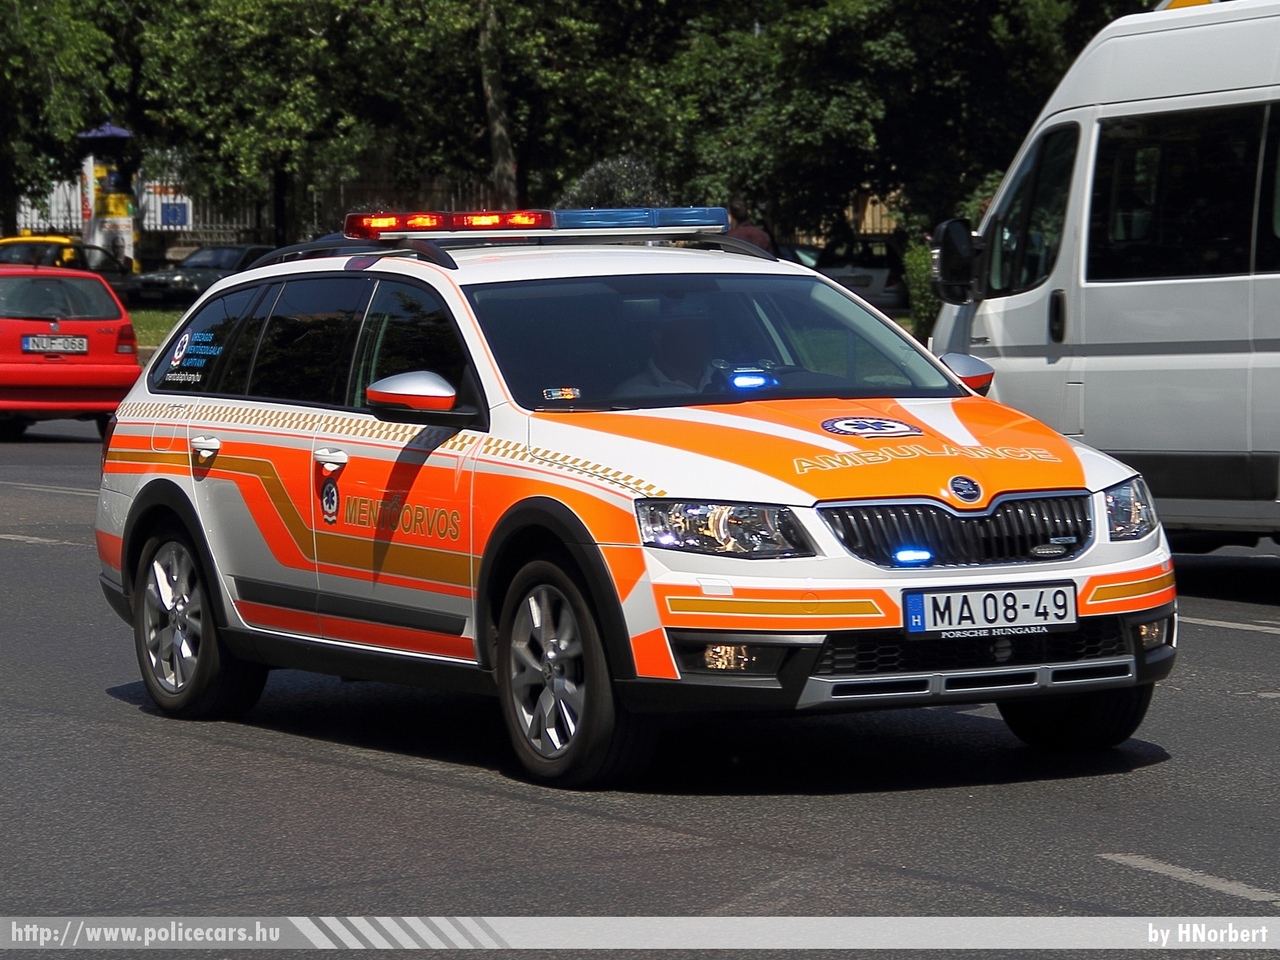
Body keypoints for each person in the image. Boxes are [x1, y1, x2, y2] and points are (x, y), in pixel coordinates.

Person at [612, 314, 718, 397]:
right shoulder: (630, 394)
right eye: (687, 334)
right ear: (658, 338)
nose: (698, 342)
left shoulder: (728, 382)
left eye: (704, 334)